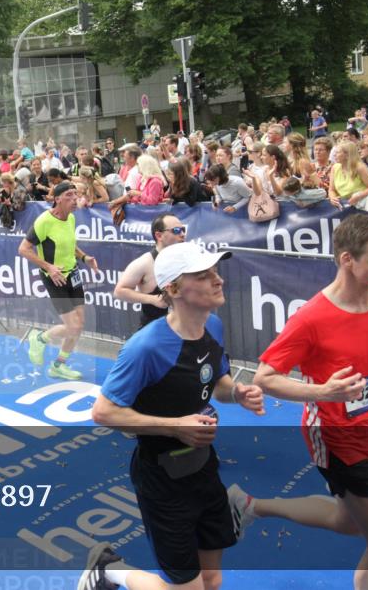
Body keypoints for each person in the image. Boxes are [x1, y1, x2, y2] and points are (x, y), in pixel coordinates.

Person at [232, 214, 368, 590]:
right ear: (348, 259)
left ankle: (251, 506)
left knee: (347, 522)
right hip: (334, 435)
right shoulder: (312, 317)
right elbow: (265, 377)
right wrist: (322, 392)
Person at [90, 242, 265, 590]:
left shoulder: (213, 326)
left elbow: (217, 384)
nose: (218, 281)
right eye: (203, 275)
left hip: (204, 469)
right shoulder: (146, 347)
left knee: (212, 581)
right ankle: (110, 569)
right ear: (172, 288)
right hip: (161, 480)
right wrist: (174, 427)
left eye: (215, 272)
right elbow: (103, 412)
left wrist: (237, 393)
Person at [19, 182, 100, 381]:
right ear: (57, 199)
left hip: (73, 274)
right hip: (54, 278)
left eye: (76, 194)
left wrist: (84, 257)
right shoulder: (44, 221)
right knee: (72, 326)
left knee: (79, 325)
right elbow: (23, 249)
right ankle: (39, 338)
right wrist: (49, 267)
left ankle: (58, 366)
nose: (75, 199)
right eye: (70, 195)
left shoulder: (71, 218)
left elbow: (70, 245)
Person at [114, 214, 187, 330]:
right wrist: (152, 299)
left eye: (183, 230)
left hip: (184, 331)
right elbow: (119, 291)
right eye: (176, 231)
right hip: (155, 334)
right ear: (159, 235)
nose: (182, 234)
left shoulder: (187, 259)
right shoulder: (145, 262)